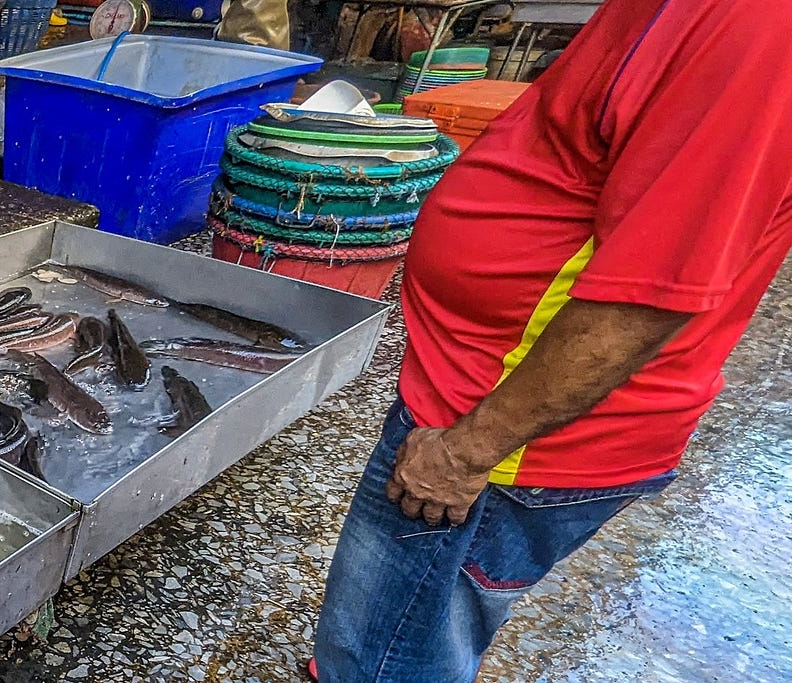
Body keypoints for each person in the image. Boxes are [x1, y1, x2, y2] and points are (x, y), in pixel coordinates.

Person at [308, 0, 792, 680]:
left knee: (384, 657)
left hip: (503, 434)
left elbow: (648, 296)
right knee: (398, 634)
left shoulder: (756, 26)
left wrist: (464, 452)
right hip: (474, 399)